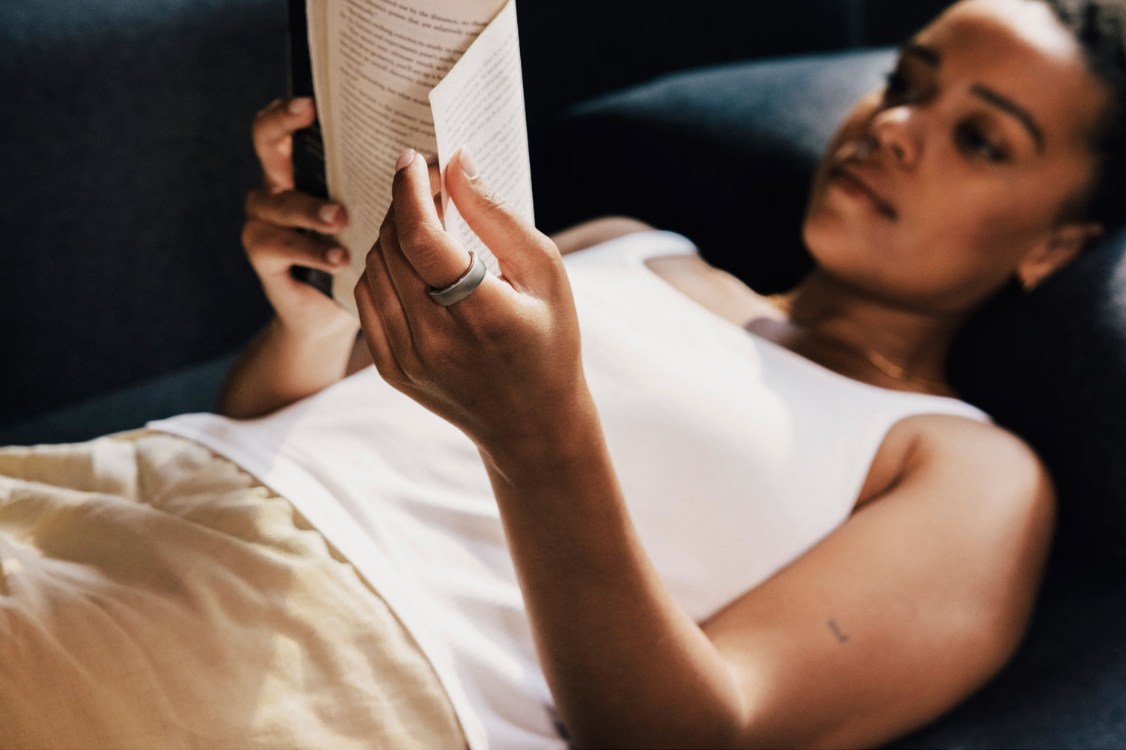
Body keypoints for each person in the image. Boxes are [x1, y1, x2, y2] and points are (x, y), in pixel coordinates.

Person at [1, 0, 1123, 747]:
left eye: (983, 139)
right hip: (119, 503)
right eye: (903, 82)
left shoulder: (968, 467)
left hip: (319, 670)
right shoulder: (626, 243)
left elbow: (700, 734)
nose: (896, 129)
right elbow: (271, 424)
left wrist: (539, 433)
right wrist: (308, 323)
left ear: (1055, 245)